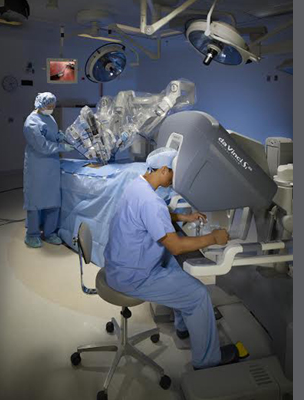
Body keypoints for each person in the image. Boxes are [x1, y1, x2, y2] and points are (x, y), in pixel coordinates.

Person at [103, 147, 240, 370]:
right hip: (133, 277)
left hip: (118, 265)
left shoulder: (137, 185)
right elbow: (176, 247)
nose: (175, 179)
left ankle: (184, 326)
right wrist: (214, 238)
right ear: (165, 170)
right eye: (175, 173)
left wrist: (185, 217)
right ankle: (207, 361)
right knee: (198, 295)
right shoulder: (151, 202)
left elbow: (153, 215)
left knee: (177, 269)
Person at [23, 92, 74, 248]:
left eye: (53, 106)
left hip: (52, 163)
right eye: (49, 106)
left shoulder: (49, 118)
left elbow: (51, 134)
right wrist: (62, 147)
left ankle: (50, 232)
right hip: (37, 165)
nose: (51, 108)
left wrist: (59, 136)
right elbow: (42, 146)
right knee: (35, 200)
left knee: (53, 199)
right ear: (40, 105)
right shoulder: (31, 122)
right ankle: (32, 234)